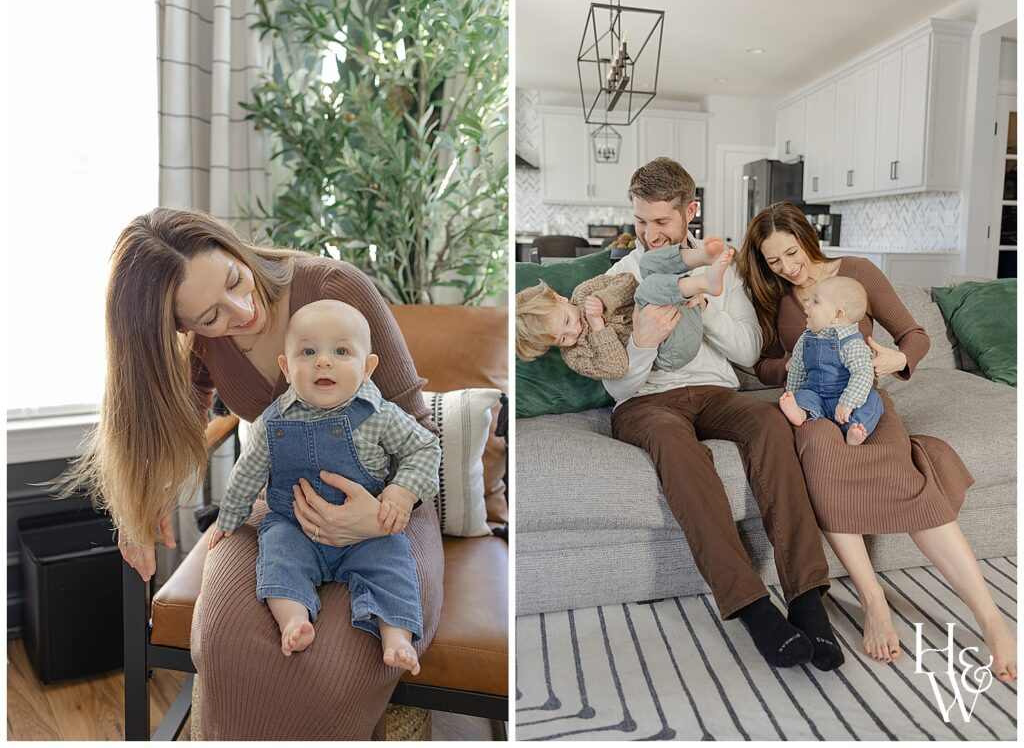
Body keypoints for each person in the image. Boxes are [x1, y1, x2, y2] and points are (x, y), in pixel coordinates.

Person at [58, 207, 445, 738]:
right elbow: (176, 428)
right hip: (282, 513)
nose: (241, 311)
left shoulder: (334, 287)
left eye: (235, 280)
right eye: (210, 317)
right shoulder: (203, 348)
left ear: (233, 248)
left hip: (391, 506)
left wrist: (379, 517)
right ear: (183, 328)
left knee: (336, 665)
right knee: (223, 642)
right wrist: (142, 503)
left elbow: (422, 433)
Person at [737, 200, 1016, 683]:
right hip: (811, 406)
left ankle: (991, 618)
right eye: (773, 260)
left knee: (907, 476)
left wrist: (894, 360)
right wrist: (795, 367)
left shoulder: (858, 273)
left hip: (862, 397)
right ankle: (874, 600)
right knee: (822, 457)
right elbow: (760, 364)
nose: (787, 267)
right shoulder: (774, 294)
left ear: (807, 236)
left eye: (791, 252)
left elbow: (915, 334)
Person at [602, 157, 844, 672]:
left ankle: (807, 599)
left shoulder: (721, 268)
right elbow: (616, 383)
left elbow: (750, 348)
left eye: (661, 221)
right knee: (673, 444)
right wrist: (641, 345)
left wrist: (703, 298)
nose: (649, 234)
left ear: (689, 211)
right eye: (641, 221)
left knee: (769, 424)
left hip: (714, 390)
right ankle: (755, 609)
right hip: (646, 402)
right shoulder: (621, 277)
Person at [208, 300, 440, 673]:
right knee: (278, 555)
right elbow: (247, 472)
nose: (323, 361)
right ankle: (294, 620)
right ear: (286, 367)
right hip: (295, 527)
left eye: (341, 351)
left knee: (392, 562)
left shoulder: (379, 414)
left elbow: (425, 447)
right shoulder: (273, 422)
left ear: (367, 368)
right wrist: (228, 519)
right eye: (308, 351)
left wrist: (401, 492)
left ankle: (396, 636)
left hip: (367, 532)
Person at [514, 238, 734, 379]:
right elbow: (617, 369)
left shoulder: (583, 293)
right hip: (671, 351)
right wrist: (598, 326)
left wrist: (603, 299)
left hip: (684, 310)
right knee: (647, 289)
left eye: (567, 322)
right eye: (562, 339)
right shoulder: (576, 355)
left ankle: (702, 256)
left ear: (559, 298)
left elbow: (628, 282)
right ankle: (704, 283)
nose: (573, 332)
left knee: (647, 263)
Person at [780, 275, 883, 446]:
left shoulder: (852, 344)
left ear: (837, 315)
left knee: (873, 400)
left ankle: (855, 428)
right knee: (803, 396)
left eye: (815, 302)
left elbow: (863, 375)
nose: (807, 305)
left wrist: (847, 403)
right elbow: (798, 370)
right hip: (816, 395)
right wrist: (792, 394)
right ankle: (800, 412)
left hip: (845, 398)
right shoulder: (805, 340)